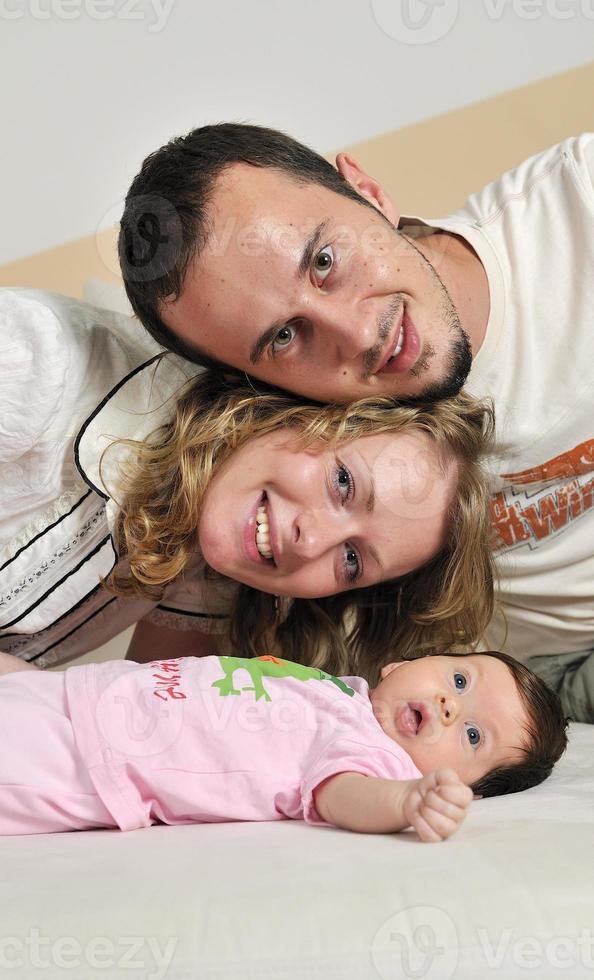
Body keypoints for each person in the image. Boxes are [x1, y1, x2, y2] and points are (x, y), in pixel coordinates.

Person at [118, 124, 594, 720]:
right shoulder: (289, 460)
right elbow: (140, 711)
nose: (358, 332)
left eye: (324, 261)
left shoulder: (579, 203)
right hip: (545, 681)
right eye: (285, 337)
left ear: (367, 191)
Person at [0, 288, 494, 673]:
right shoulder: (37, 363)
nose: (313, 539)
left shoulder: (219, 549)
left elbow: (141, 720)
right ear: (296, 409)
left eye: (352, 559)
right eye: (344, 483)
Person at [0, 647, 567, 840]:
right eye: (460, 680)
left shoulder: (374, 759)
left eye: (472, 735)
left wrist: (408, 801)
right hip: (90, 692)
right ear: (407, 663)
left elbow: (338, 796)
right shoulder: (341, 693)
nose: (450, 705)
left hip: (90, 764)